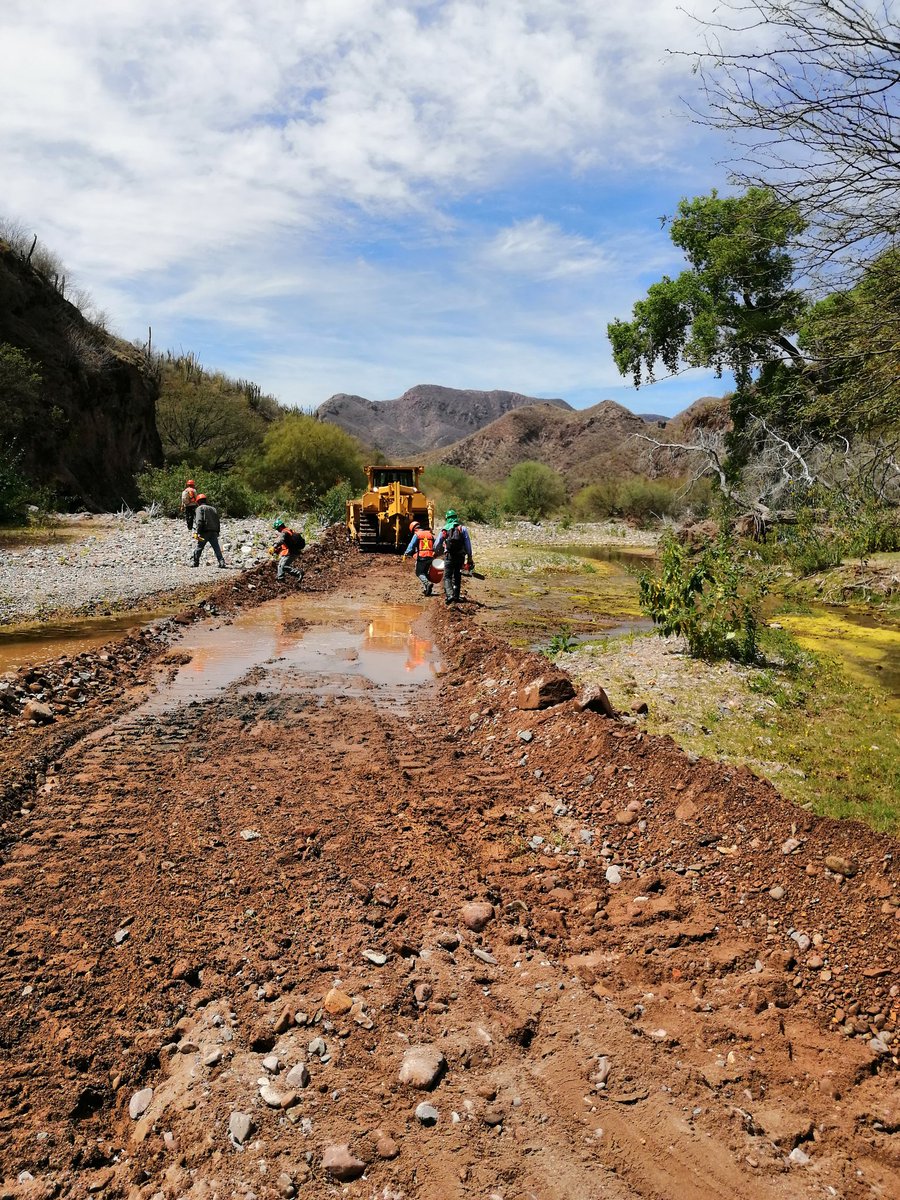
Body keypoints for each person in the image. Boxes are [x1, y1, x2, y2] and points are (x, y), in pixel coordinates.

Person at [433, 509, 474, 605]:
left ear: (447, 518)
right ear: (456, 518)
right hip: (460, 556)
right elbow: (468, 544)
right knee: (457, 575)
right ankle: (456, 596)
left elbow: (437, 544)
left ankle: (450, 595)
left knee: (447, 577)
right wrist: (470, 557)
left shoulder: (445, 529)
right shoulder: (462, 528)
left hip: (449, 556)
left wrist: (435, 552)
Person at [192, 495, 227, 568]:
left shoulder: (199, 508)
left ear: (198, 501)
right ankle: (221, 562)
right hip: (214, 532)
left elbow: (199, 521)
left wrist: (197, 532)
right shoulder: (213, 509)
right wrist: (217, 531)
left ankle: (195, 563)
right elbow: (217, 521)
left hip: (205, 532)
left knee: (199, 547)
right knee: (216, 548)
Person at [402, 520, 435, 595]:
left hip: (422, 556)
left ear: (414, 529)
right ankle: (427, 590)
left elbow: (411, 545)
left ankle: (427, 584)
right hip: (430, 556)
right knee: (425, 572)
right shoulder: (429, 534)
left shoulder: (417, 534)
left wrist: (406, 553)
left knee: (419, 572)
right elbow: (435, 544)